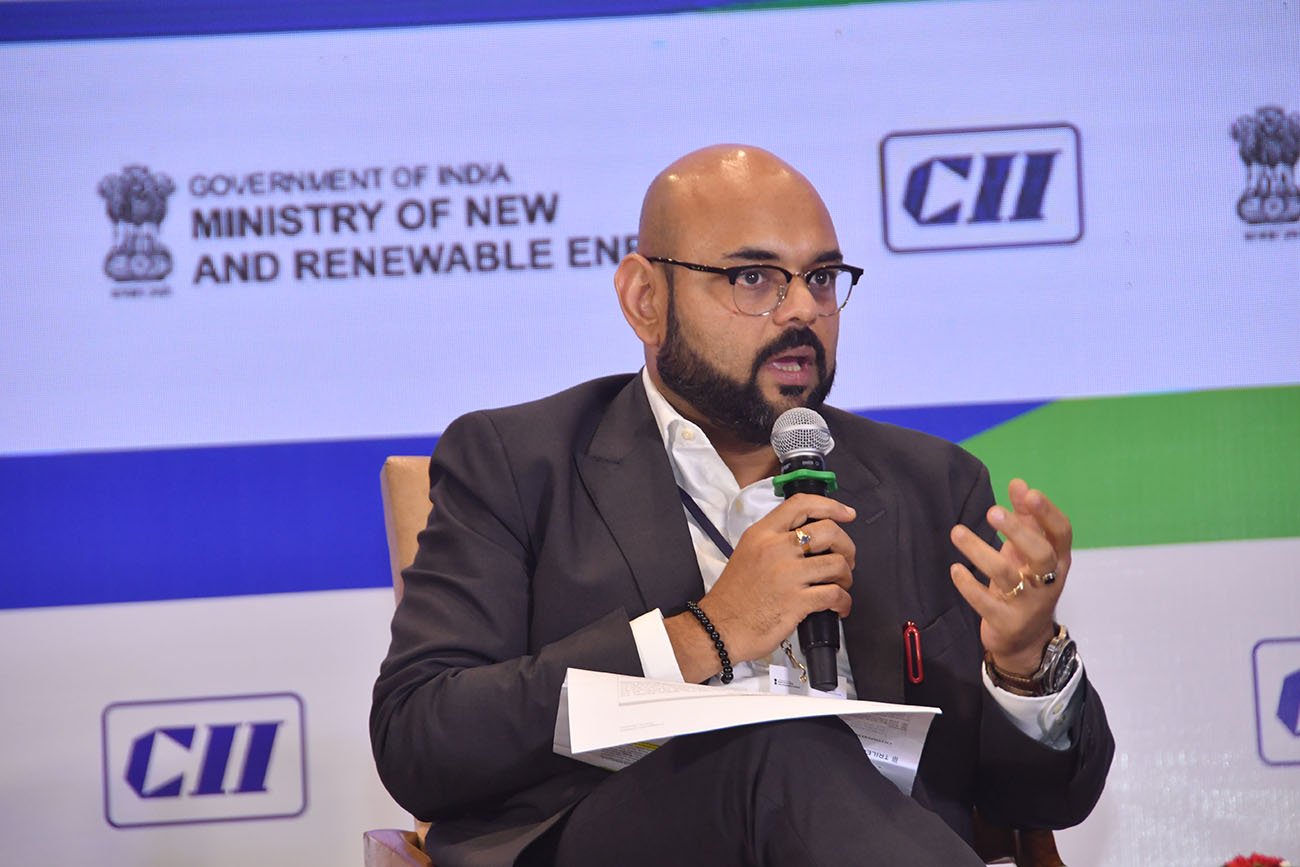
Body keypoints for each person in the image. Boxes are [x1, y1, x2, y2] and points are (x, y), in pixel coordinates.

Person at [371, 145, 1113, 866]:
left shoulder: (932, 484)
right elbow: (421, 739)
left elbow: (1038, 805)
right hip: (616, 834)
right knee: (782, 743)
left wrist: (1023, 665)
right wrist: (709, 631)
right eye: (754, 278)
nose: (804, 310)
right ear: (645, 300)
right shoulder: (518, 462)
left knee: (804, 750)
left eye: (821, 278)